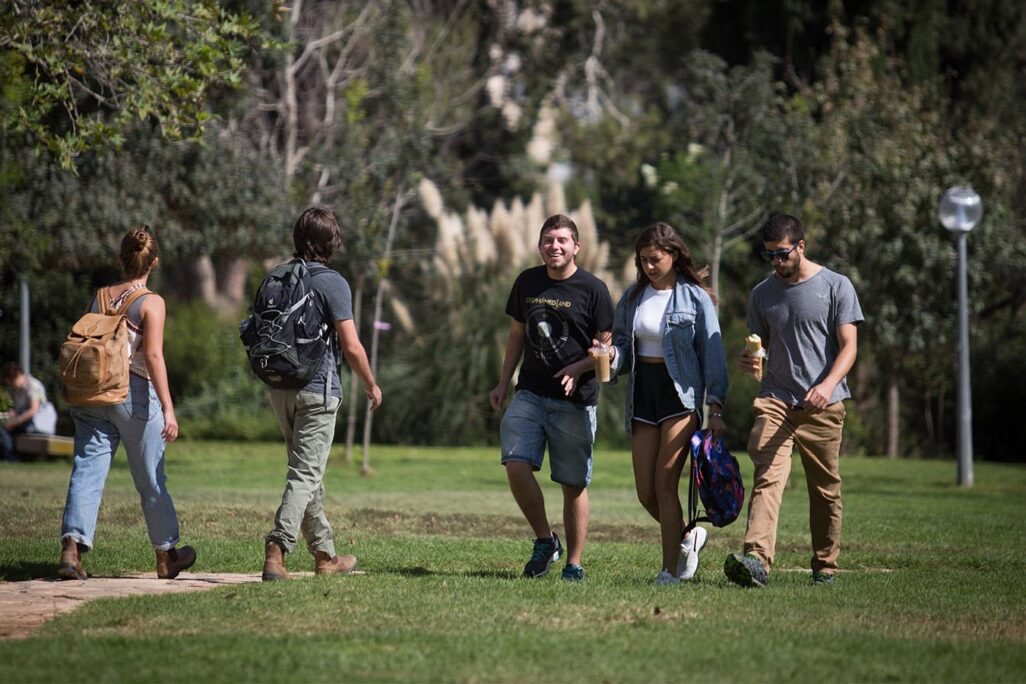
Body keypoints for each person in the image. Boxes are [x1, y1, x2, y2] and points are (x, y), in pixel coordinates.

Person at [724, 213, 863, 588]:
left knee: (825, 489)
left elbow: (849, 348)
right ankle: (756, 561)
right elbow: (760, 349)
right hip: (776, 398)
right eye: (768, 255)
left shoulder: (836, 286)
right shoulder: (761, 294)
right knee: (768, 477)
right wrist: (750, 359)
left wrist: (828, 384)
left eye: (782, 254)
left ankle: (825, 566)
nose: (775, 262)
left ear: (800, 246)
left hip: (823, 402)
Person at [58, 226, 196, 580]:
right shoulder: (152, 302)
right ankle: (167, 555)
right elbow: (152, 355)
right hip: (131, 396)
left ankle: (72, 550)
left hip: (90, 395)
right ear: (155, 263)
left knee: (87, 469)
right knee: (150, 476)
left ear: (121, 260)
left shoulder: (99, 296)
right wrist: (168, 407)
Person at [489, 213, 614, 582]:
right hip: (529, 391)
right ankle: (545, 540)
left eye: (562, 240)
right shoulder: (527, 281)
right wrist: (502, 381)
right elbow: (516, 334)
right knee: (515, 463)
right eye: (548, 239)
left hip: (576, 401)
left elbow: (605, 349)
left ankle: (574, 564)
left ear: (577, 246)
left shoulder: (594, 289)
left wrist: (579, 369)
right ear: (540, 244)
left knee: (573, 484)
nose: (554, 246)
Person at [261, 207, 382, 582]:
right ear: (332, 242)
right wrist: (370, 383)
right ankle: (277, 548)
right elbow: (351, 345)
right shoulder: (333, 282)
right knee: (305, 474)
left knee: (306, 474)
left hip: (279, 389)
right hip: (318, 390)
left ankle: (325, 554)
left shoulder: (277, 277)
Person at [606, 223, 728, 585]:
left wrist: (716, 406)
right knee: (645, 492)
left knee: (664, 484)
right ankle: (689, 536)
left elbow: (713, 355)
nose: (648, 266)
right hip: (643, 395)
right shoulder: (632, 298)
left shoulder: (695, 298)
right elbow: (624, 351)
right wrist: (610, 355)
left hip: (680, 396)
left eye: (655, 259)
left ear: (674, 255)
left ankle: (668, 571)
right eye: (642, 260)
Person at [1, 362, 58, 462]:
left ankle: (10, 457)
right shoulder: (19, 390)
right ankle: (9, 455)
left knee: (3, 430)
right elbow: (16, 410)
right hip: (27, 423)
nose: (11, 385)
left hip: (36, 424)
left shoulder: (33, 385)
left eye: (11, 381)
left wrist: (14, 422)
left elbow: (33, 410)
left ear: (17, 375)